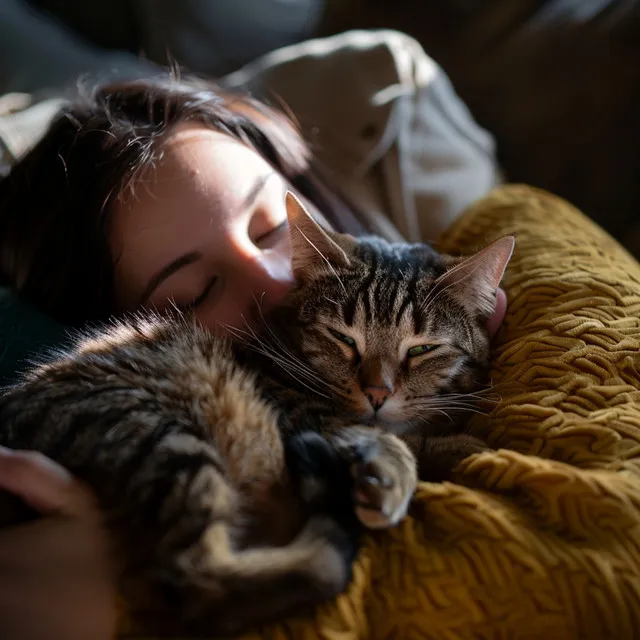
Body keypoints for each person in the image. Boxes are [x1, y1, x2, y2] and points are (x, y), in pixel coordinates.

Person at [0, 31, 503, 638]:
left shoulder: (459, 251)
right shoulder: (175, 384)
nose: (276, 284)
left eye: (273, 229)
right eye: (195, 294)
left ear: (305, 187)